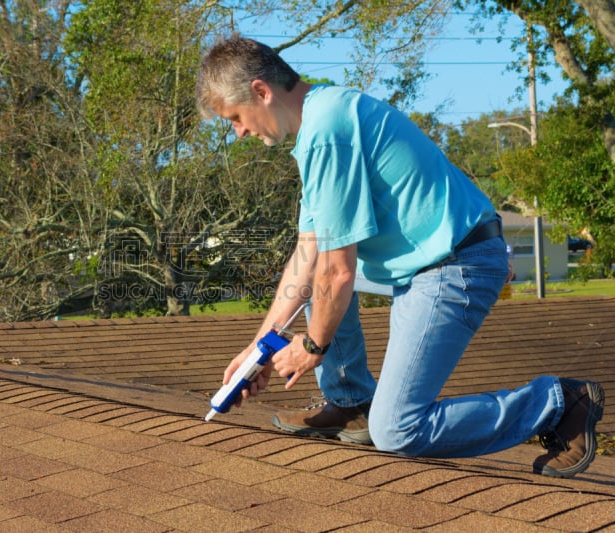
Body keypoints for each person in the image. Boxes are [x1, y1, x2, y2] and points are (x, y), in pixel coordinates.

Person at [195, 34, 604, 479]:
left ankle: (559, 403)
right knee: (313, 281)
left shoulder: (327, 132)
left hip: (454, 265)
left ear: (261, 91)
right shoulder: (319, 122)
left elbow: (338, 270)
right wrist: (260, 348)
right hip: (425, 261)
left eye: (234, 118)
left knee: (397, 430)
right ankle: (351, 403)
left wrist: (313, 347)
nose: (238, 132)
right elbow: (308, 255)